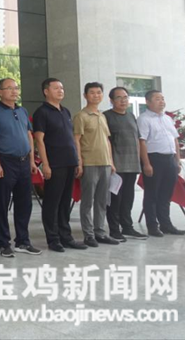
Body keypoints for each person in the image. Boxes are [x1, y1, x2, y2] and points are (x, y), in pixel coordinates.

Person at [0, 78, 42, 258]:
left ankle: (23, 241)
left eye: (15, 88)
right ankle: (4, 244)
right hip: (6, 162)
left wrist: (32, 161)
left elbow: (29, 136)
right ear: (0, 92)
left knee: (24, 203)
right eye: (8, 88)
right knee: (2, 204)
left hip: (24, 162)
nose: (13, 91)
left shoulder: (22, 110)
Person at [33, 78, 87, 252]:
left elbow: (71, 138)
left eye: (62, 88)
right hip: (54, 164)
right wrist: (45, 165)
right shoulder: (42, 112)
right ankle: (53, 238)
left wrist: (77, 160)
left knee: (65, 202)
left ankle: (66, 236)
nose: (60, 91)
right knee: (52, 202)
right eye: (56, 88)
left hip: (70, 161)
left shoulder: (65, 111)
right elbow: (39, 140)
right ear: (46, 91)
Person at [73, 82, 119, 247]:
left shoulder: (102, 115)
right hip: (89, 163)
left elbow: (107, 140)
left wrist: (111, 162)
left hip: (105, 163)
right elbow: (76, 140)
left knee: (102, 200)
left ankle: (100, 232)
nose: (96, 95)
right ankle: (89, 234)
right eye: (92, 93)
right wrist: (79, 161)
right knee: (88, 201)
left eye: (99, 92)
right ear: (85, 96)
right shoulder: (81, 116)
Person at [137, 90, 185, 237]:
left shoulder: (167, 119)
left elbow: (175, 140)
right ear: (148, 102)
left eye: (163, 99)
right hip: (154, 159)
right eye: (157, 99)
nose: (162, 101)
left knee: (166, 194)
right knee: (152, 194)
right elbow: (142, 142)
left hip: (170, 159)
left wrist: (177, 160)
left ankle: (166, 225)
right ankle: (152, 226)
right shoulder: (144, 119)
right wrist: (146, 164)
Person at [104, 87, 148, 240]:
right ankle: (114, 229)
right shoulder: (106, 116)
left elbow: (137, 139)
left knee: (128, 198)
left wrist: (140, 161)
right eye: (119, 97)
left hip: (132, 164)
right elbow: (105, 142)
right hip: (116, 165)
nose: (123, 100)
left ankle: (127, 227)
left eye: (125, 97)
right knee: (115, 199)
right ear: (111, 100)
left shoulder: (131, 116)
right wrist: (110, 162)